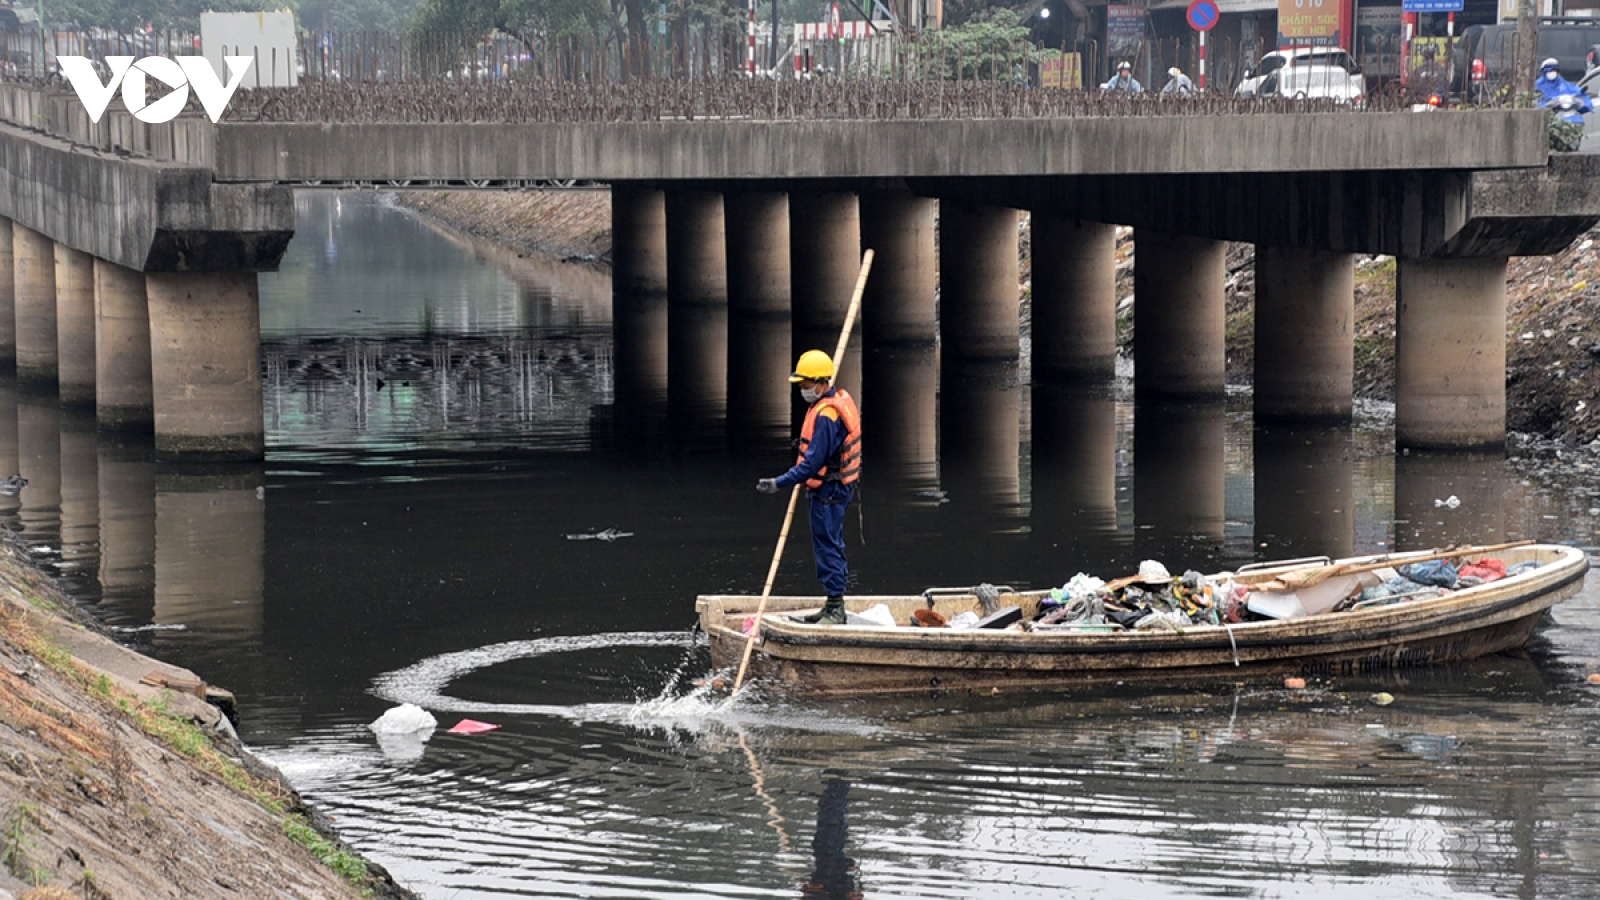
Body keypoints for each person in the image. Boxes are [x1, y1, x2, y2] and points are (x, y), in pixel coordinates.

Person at [756, 350, 862, 625]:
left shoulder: (828, 416)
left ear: (820, 382)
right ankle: (831, 605)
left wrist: (778, 483)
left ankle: (836, 608)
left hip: (829, 492)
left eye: (805, 385)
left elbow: (811, 465)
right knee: (828, 545)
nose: (802, 391)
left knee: (828, 546)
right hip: (830, 489)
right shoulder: (830, 402)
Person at [1536, 57, 1593, 152]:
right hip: (1549, 119)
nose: (1552, 73)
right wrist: (1551, 103)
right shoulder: (1538, 86)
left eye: (1554, 70)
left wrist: (1578, 101)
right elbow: (1536, 102)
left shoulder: (1564, 85)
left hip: (1568, 116)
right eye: (1549, 70)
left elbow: (1579, 94)